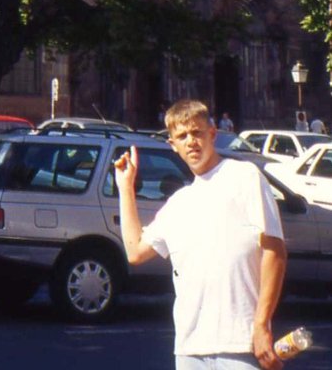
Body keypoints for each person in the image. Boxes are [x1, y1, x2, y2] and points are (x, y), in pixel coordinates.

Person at [114, 98, 286, 370]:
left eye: (197, 132)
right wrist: (125, 188)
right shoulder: (179, 203)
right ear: (173, 145)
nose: (191, 142)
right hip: (190, 349)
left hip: (240, 344)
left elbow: (274, 251)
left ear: (212, 134)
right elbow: (135, 251)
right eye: (182, 136)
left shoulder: (244, 176)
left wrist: (262, 324)